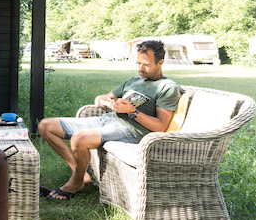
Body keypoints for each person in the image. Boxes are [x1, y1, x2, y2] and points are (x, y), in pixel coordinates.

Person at [37, 40, 181, 201]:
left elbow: (160, 126)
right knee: (46, 126)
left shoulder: (167, 88)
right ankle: (80, 174)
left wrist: (133, 112)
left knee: (79, 138)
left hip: (131, 131)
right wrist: (103, 100)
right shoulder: (134, 81)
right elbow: (106, 96)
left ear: (160, 62)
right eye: (138, 63)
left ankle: (75, 183)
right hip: (107, 120)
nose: (141, 68)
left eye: (146, 64)